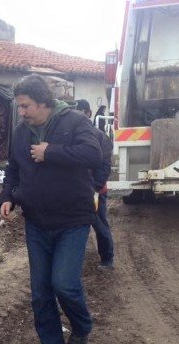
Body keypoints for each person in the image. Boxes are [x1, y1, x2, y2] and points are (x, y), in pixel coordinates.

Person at [0, 74, 109, 344]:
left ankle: (82, 328)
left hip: (72, 220)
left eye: (26, 106)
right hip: (37, 222)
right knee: (40, 291)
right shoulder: (22, 132)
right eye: (19, 107)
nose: (21, 112)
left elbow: (94, 154)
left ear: (44, 102)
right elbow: (13, 169)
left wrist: (52, 152)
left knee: (64, 283)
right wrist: (7, 197)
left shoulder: (74, 122)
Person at [78, 99, 115, 270]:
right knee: (76, 225)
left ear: (88, 113)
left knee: (99, 223)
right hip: (76, 191)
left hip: (95, 191)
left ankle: (107, 259)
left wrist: (95, 188)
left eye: (81, 111)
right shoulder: (72, 136)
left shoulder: (99, 136)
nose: (78, 114)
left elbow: (105, 165)